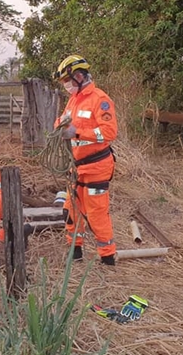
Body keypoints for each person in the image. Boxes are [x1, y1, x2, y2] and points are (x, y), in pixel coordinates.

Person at [53, 55, 118, 265]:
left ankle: (107, 257)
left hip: (97, 166)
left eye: (67, 81)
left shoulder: (100, 100)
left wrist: (77, 132)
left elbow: (109, 132)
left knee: (96, 213)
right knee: (71, 210)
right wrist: (60, 128)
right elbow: (62, 120)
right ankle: (75, 251)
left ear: (79, 76)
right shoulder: (74, 100)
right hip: (77, 168)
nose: (66, 86)